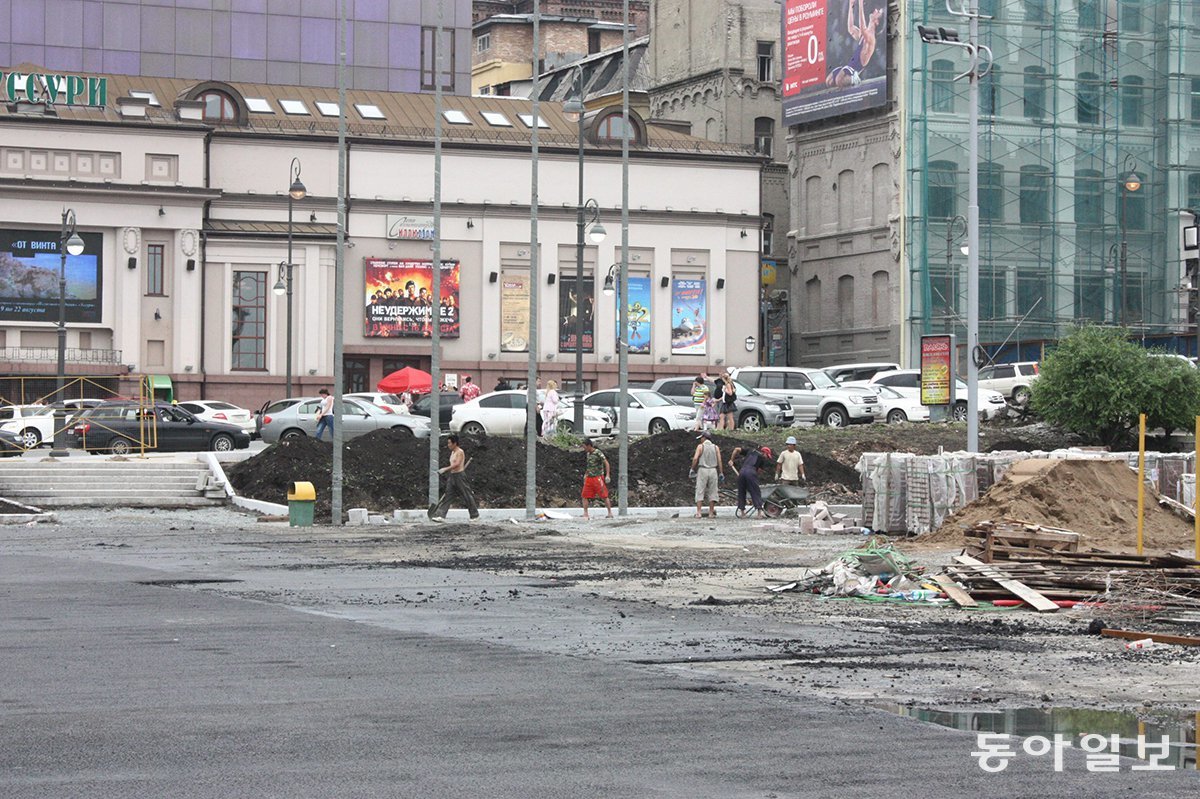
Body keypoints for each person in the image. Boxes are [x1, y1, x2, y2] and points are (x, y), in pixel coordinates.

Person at [826, 0, 884, 88]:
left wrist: (860, 4)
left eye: (878, 12)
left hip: (854, 70)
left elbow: (863, 28)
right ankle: (849, 79)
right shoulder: (863, 35)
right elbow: (850, 28)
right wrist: (851, 5)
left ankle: (854, 79)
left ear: (877, 22)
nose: (876, 10)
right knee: (829, 81)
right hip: (849, 67)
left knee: (838, 80)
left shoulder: (871, 38)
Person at [428, 435, 480, 521]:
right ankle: (441, 515)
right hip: (452, 476)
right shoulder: (452, 453)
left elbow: (457, 464)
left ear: (454, 443)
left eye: (449, 443)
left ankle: (475, 515)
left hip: (460, 476)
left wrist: (445, 469)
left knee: (467, 495)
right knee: (448, 495)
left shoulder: (460, 452)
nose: (448, 445)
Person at [728, 444, 773, 519]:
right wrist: (753, 480)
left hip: (742, 472)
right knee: (756, 491)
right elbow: (759, 471)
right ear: (764, 453)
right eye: (767, 456)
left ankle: (742, 513)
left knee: (741, 492)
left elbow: (736, 449)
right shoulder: (762, 458)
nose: (767, 458)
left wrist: (731, 460)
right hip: (751, 472)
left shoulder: (750, 451)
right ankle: (759, 513)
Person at [689, 430, 725, 518]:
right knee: (713, 491)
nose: (700, 440)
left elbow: (695, 458)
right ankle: (711, 512)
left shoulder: (700, 447)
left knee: (700, 490)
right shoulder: (716, 447)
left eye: (701, 438)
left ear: (704, 438)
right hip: (713, 470)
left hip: (703, 470)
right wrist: (721, 472)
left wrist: (692, 469)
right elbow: (719, 460)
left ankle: (698, 512)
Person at [580, 438, 613, 519]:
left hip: (598, 477)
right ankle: (585, 513)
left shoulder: (598, 453)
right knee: (584, 495)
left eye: (585, 447)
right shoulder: (588, 454)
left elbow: (606, 463)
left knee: (604, 495)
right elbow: (589, 466)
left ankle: (610, 513)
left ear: (589, 446)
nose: (584, 449)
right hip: (589, 478)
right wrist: (586, 474)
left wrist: (607, 475)